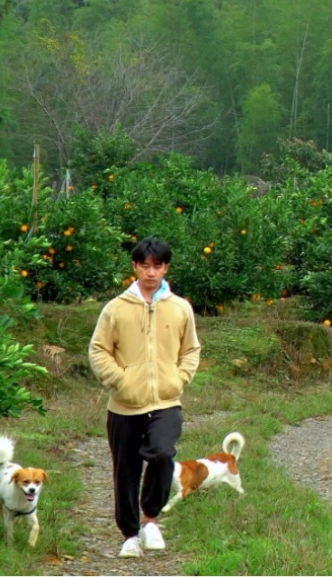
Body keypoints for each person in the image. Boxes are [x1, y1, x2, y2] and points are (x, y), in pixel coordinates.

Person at [88, 236, 202, 559]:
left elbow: (191, 349)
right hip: (124, 405)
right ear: (135, 267)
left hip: (166, 401)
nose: (151, 272)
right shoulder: (116, 309)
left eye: (158, 266)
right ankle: (129, 533)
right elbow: (98, 350)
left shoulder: (180, 308)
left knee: (163, 453)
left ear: (166, 268)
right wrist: (119, 380)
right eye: (145, 265)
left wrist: (179, 378)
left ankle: (151, 518)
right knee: (125, 470)